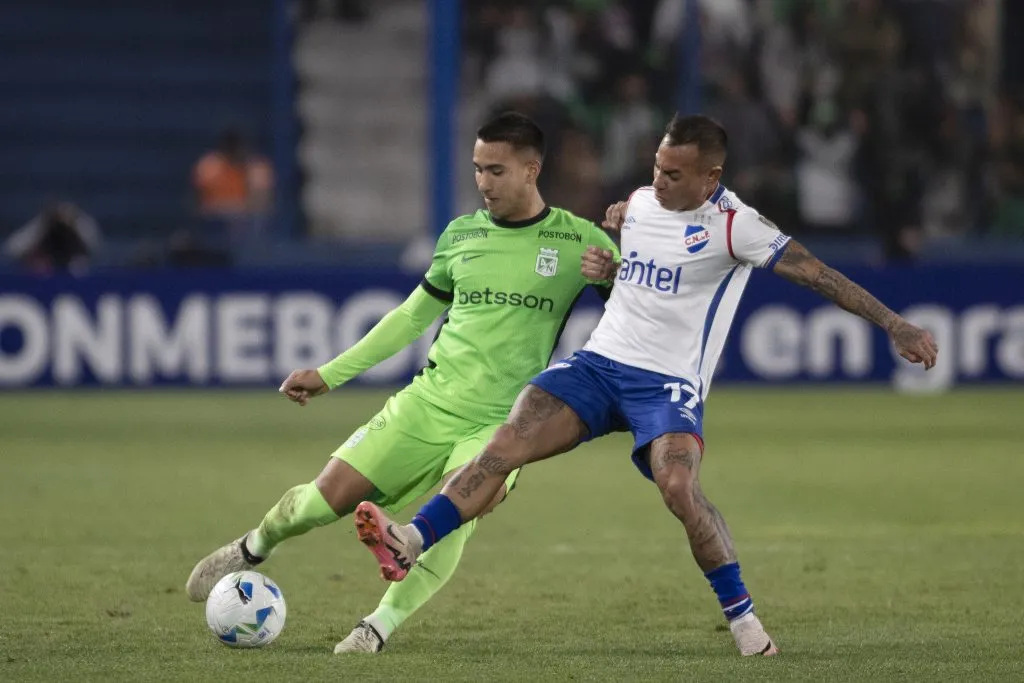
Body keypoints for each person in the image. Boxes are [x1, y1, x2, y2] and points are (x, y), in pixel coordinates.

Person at [352, 114, 940, 657]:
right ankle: (410, 538)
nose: (658, 181)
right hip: (600, 364)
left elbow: (819, 275)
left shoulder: (738, 227)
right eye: (656, 166)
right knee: (507, 442)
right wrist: (612, 270)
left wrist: (894, 323)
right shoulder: (637, 204)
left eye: (674, 173)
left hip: (667, 383)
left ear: (712, 177)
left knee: (679, 487)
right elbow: (637, 273)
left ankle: (742, 619)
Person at [184, 112, 621, 653]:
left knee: (455, 513)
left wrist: (615, 277)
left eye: (496, 170)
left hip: (504, 422)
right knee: (322, 502)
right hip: (428, 403)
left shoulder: (580, 241)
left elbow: (631, 318)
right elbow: (411, 318)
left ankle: (375, 628)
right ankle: (253, 546)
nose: (483, 182)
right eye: (478, 169)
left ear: (532, 170)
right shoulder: (460, 236)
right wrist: (330, 374)